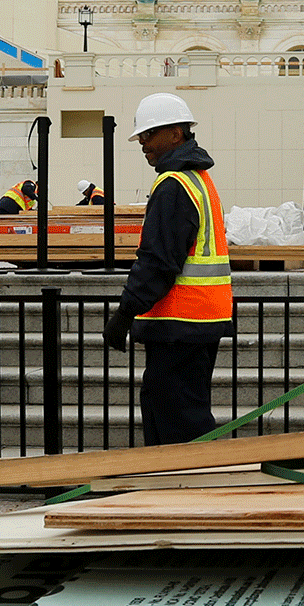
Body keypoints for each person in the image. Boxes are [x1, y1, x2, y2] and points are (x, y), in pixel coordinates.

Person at [103, 93, 232, 445]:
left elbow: (158, 261)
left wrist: (125, 313)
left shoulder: (174, 184)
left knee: (179, 422)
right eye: (142, 136)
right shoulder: (198, 180)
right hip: (197, 321)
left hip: (181, 323)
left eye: (150, 134)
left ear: (176, 134)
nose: (143, 143)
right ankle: (172, 488)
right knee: (172, 412)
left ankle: (190, 491)